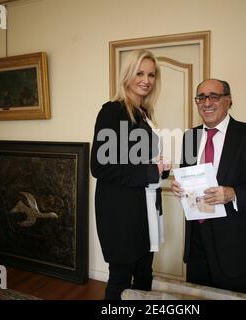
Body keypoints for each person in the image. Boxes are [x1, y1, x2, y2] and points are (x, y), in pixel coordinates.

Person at [171, 79, 246, 294]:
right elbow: (188, 179)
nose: (206, 102)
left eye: (214, 96)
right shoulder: (189, 137)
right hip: (196, 243)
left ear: (228, 100)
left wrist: (233, 193)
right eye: (201, 97)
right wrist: (179, 187)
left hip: (235, 245)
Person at [91, 49, 170, 300]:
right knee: (121, 281)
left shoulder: (144, 114)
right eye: (140, 73)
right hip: (121, 214)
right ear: (127, 75)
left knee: (144, 275)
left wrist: (161, 169)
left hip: (145, 210)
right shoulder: (112, 111)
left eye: (151, 74)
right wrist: (150, 170)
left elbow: (138, 163)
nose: (146, 80)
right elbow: (100, 166)